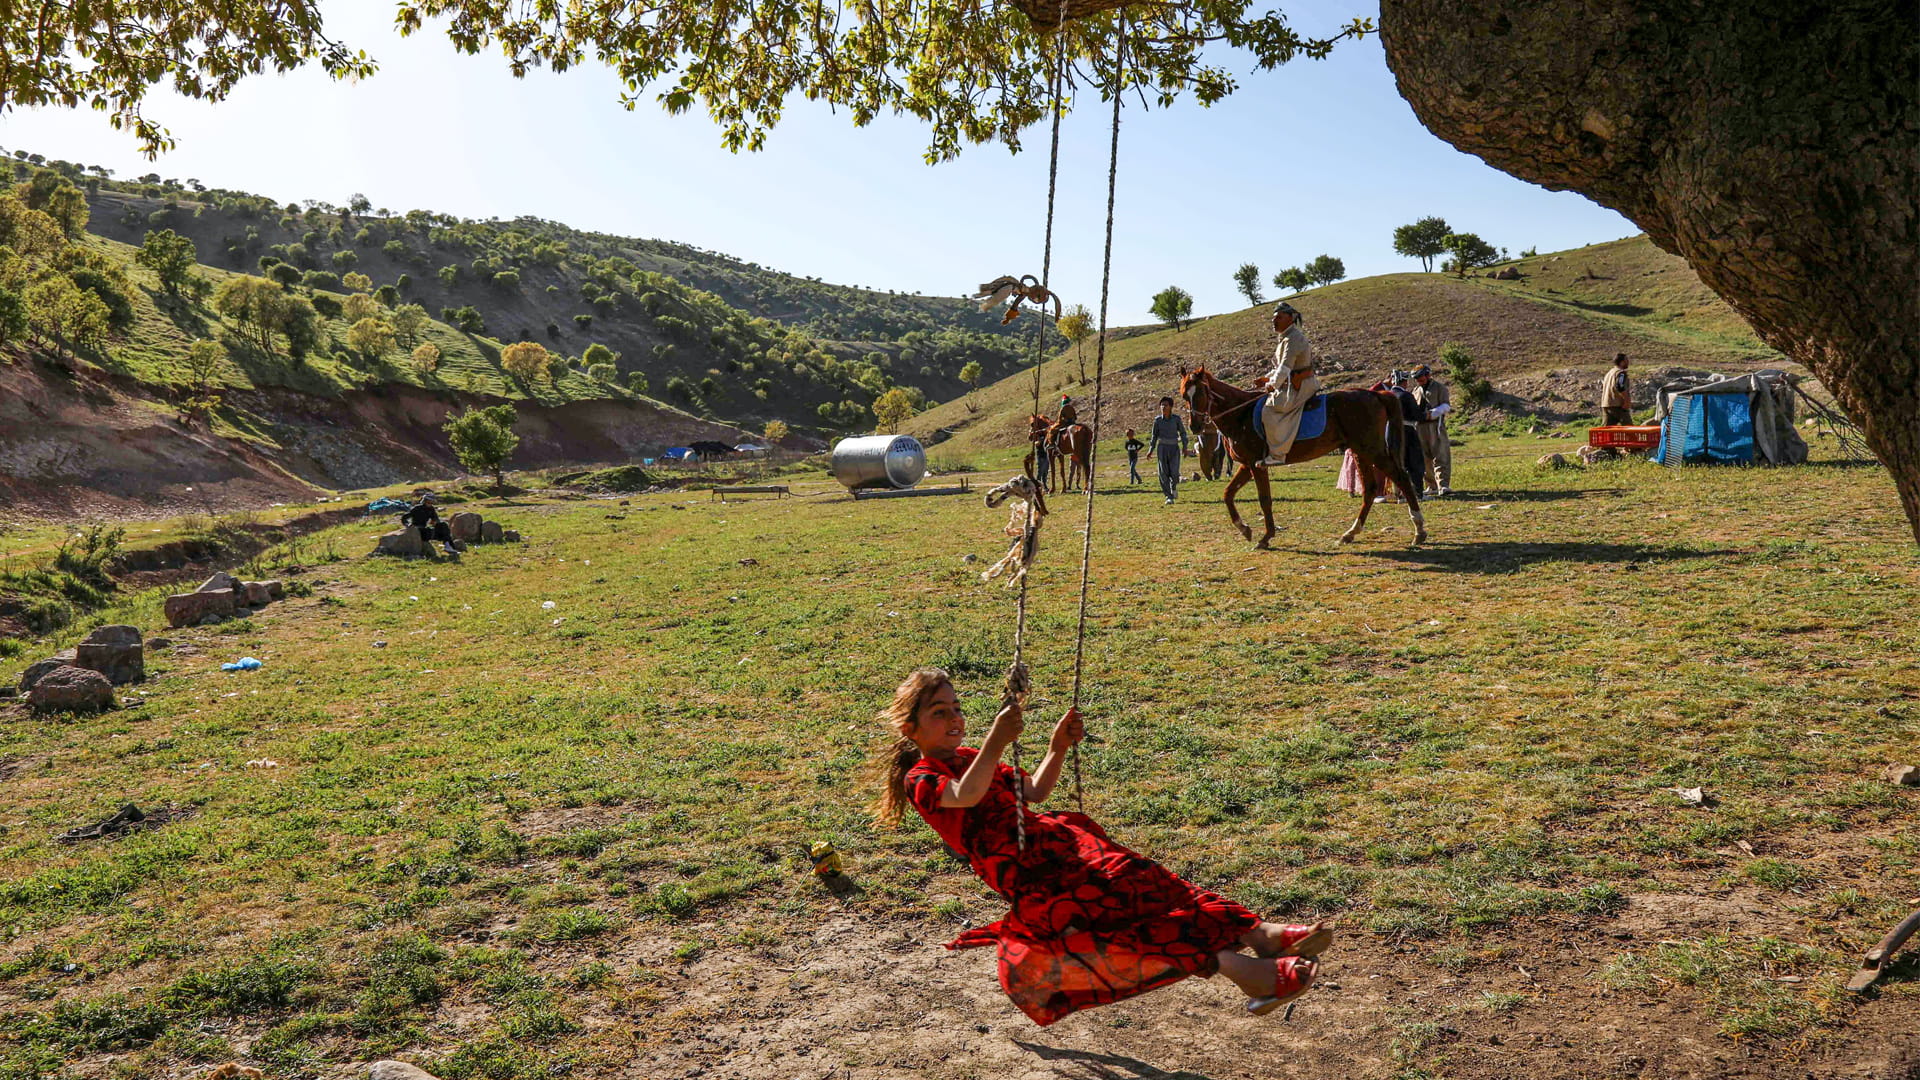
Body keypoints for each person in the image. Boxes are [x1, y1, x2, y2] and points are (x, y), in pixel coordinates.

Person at [873, 668, 1329, 1026]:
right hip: (1035, 878)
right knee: (1127, 928)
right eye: (938, 712)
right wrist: (996, 741)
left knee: (1152, 885)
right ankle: (1248, 971)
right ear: (910, 728)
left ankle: (1260, 936)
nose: (954, 719)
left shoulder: (972, 756)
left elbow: (1033, 793)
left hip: (1063, 846)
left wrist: (1056, 747)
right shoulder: (923, 779)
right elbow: (966, 796)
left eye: (956, 708)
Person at [1251, 302, 1321, 466]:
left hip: (1302, 385)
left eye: (1279, 318)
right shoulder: (1286, 338)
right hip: (1291, 382)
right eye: (1273, 319)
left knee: (1269, 410)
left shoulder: (1293, 339)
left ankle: (1278, 455)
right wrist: (1267, 379)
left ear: (1291, 318)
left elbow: (1284, 368)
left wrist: (1272, 385)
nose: (1274, 322)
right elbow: (1280, 368)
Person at [1371, 372, 1429, 504]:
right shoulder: (1406, 395)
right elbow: (1417, 415)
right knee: (1414, 461)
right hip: (1406, 430)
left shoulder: (1384, 396)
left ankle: (1399, 494)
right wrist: (1427, 414)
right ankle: (1417, 493)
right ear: (1404, 382)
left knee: (1396, 462)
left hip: (1388, 431)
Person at [1412, 365, 1455, 497]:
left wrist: (1433, 413)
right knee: (1424, 458)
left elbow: (1446, 405)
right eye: (1416, 378)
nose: (1419, 380)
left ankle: (1443, 485)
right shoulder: (1415, 390)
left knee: (1440, 455)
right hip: (1420, 427)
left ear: (1428, 375)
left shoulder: (1439, 388)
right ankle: (1431, 486)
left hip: (1435, 426)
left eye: (1421, 376)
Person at [1146, 397, 1190, 505]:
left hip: (1174, 448)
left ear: (1170, 407)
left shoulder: (1176, 419)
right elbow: (1154, 436)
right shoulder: (1157, 420)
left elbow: (1183, 433)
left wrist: (1185, 447)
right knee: (1163, 473)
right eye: (1161, 405)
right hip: (1162, 448)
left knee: (1174, 473)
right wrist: (1150, 450)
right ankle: (1168, 496)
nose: (1163, 407)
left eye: (1165, 405)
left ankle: (1173, 487)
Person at [1600, 353, 1633, 426]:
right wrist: (1627, 401)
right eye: (1626, 360)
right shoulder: (1621, 373)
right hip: (1618, 405)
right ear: (1621, 362)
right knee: (1630, 429)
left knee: (1607, 431)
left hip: (1606, 404)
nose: (1628, 362)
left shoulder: (1609, 373)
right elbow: (1620, 386)